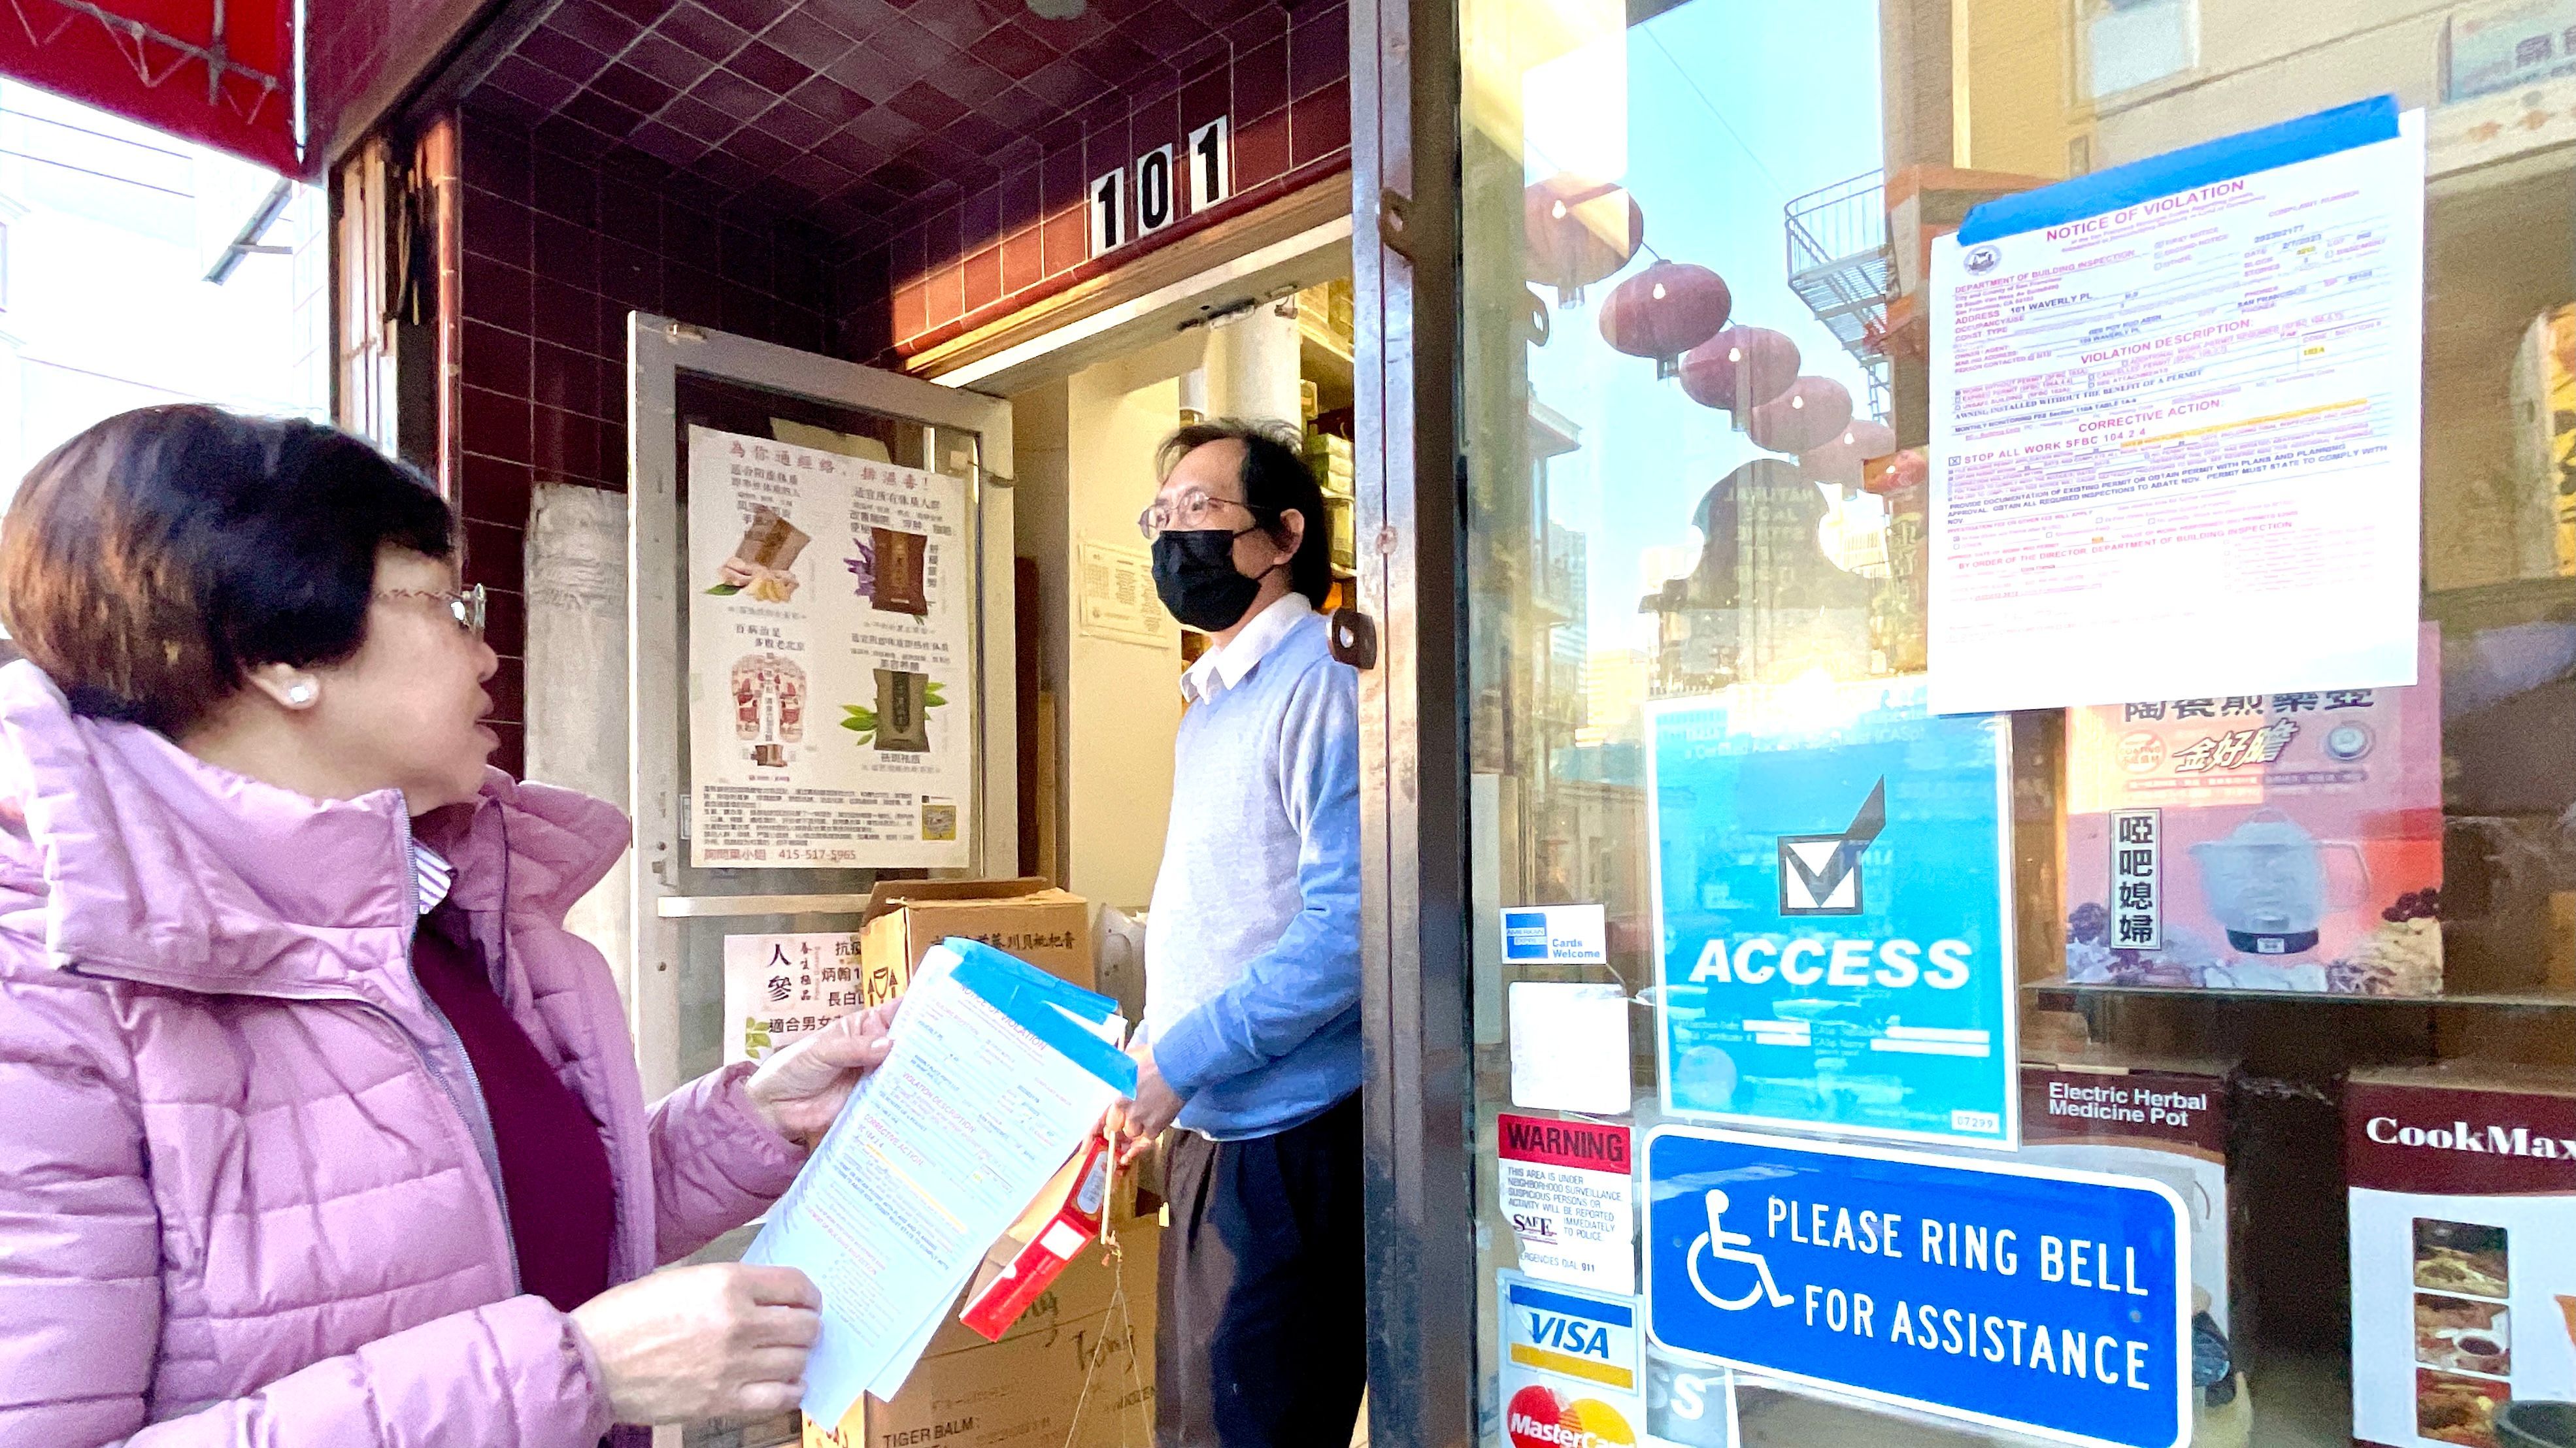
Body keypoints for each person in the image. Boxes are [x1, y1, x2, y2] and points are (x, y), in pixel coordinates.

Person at [0, 405, 892, 1447]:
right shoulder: (45, 993)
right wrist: (577, 1377)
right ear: (277, 653)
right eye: (444, 606)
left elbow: (503, 1220)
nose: (485, 656)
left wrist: (756, 1125)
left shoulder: (434, 908)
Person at [1109, 418, 1364, 1448]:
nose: (1175, 537)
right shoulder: (1209, 703)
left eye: (1201, 510)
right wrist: (1148, 1059)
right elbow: (1225, 909)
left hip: (1294, 1138)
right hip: (1216, 1127)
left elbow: (1349, 929)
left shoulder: (1323, 681)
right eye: (1160, 515)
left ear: (1282, 534)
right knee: (1197, 1427)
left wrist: (1182, 1056)